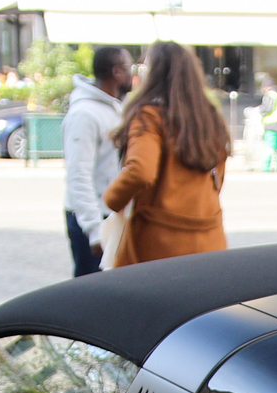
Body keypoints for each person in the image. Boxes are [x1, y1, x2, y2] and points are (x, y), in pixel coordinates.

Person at [101, 39, 228, 266]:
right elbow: (218, 176)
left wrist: (112, 198)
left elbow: (141, 170)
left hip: (160, 243)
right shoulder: (209, 116)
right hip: (210, 237)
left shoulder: (150, 115)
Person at [62, 44, 129, 276]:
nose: (133, 74)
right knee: (90, 298)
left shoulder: (112, 107)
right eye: (129, 67)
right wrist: (93, 230)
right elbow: (78, 175)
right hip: (92, 219)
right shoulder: (85, 114)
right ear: (117, 72)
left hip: (108, 215)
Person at [257, 73, 277, 172]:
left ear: (266, 87)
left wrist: (259, 110)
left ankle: (266, 167)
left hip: (272, 123)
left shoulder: (270, 94)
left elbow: (267, 108)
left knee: (269, 146)